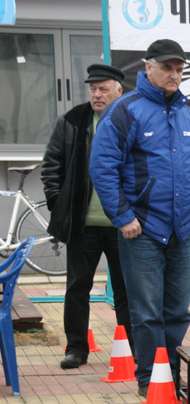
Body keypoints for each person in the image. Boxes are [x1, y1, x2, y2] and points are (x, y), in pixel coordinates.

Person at [90, 39, 190, 397]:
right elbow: (102, 167)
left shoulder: (189, 115)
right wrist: (122, 216)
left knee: (178, 311)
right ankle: (150, 381)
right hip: (141, 229)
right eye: (167, 68)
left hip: (182, 231)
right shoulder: (124, 111)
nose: (174, 75)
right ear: (148, 68)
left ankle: (171, 378)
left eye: (179, 69)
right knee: (147, 314)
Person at [41, 64, 134, 370]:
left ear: (118, 90)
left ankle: (132, 347)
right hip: (83, 224)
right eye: (93, 88)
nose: (96, 94)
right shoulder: (73, 120)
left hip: (123, 225)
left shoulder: (131, 118)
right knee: (77, 288)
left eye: (103, 88)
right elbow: (51, 164)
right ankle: (76, 348)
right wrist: (59, 204)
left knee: (126, 290)